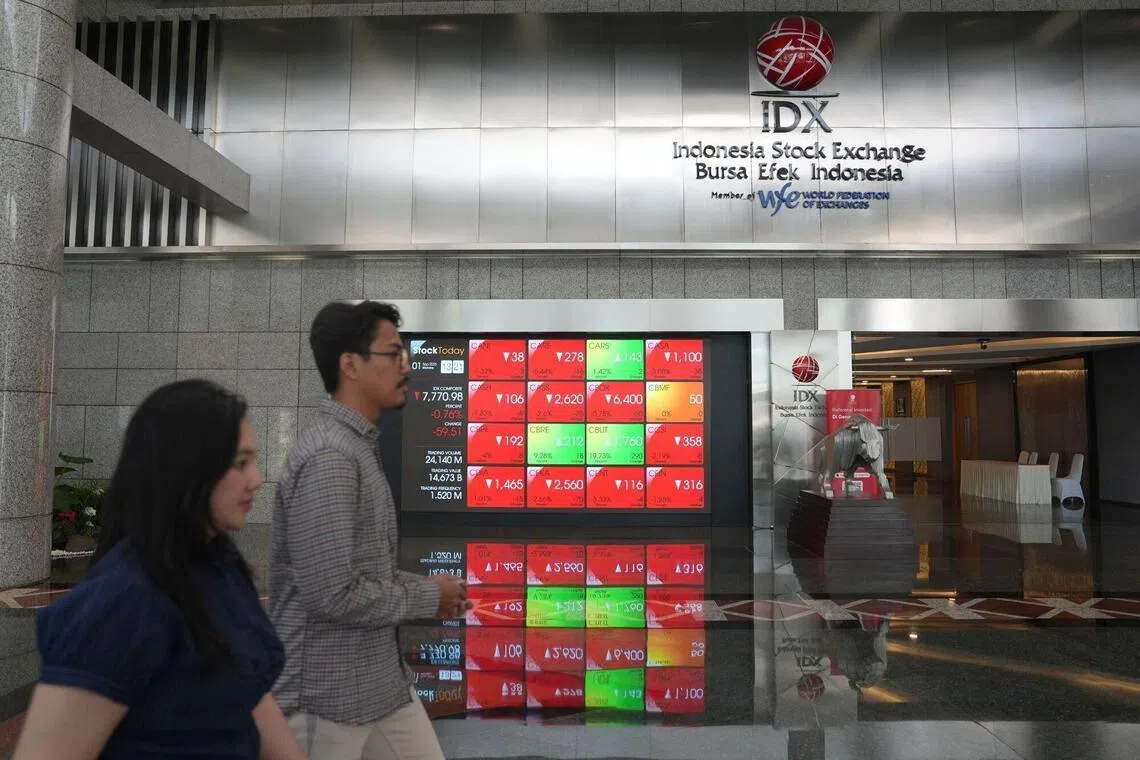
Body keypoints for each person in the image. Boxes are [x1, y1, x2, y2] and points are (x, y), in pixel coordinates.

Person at [13, 380, 306, 760]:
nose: (257, 480)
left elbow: (247, 691)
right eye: (240, 463)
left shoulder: (221, 566)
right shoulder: (121, 603)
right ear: (188, 468)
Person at [269, 300, 468, 760]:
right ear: (350, 365)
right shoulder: (331, 459)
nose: (407, 366)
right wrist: (428, 598)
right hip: (326, 701)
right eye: (393, 354)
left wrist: (432, 591)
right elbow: (333, 594)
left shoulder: (357, 447)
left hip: (381, 689)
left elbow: (367, 574)